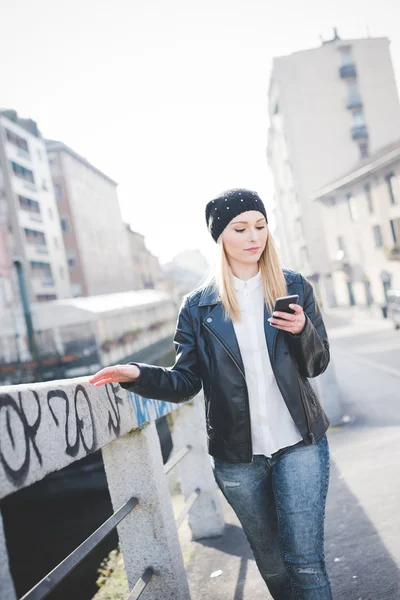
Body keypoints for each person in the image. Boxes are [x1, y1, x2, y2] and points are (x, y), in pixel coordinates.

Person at [89, 188, 332, 599]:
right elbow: (185, 381)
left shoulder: (293, 286)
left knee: (306, 564)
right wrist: (137, 374)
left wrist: (303, 331)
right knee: (273, 567)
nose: (254, 236)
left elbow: (317, 364)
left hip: (300, 445)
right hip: (239, 460)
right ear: (221, 237)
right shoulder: (198, 307)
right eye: (241, 228)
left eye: (260, 226)